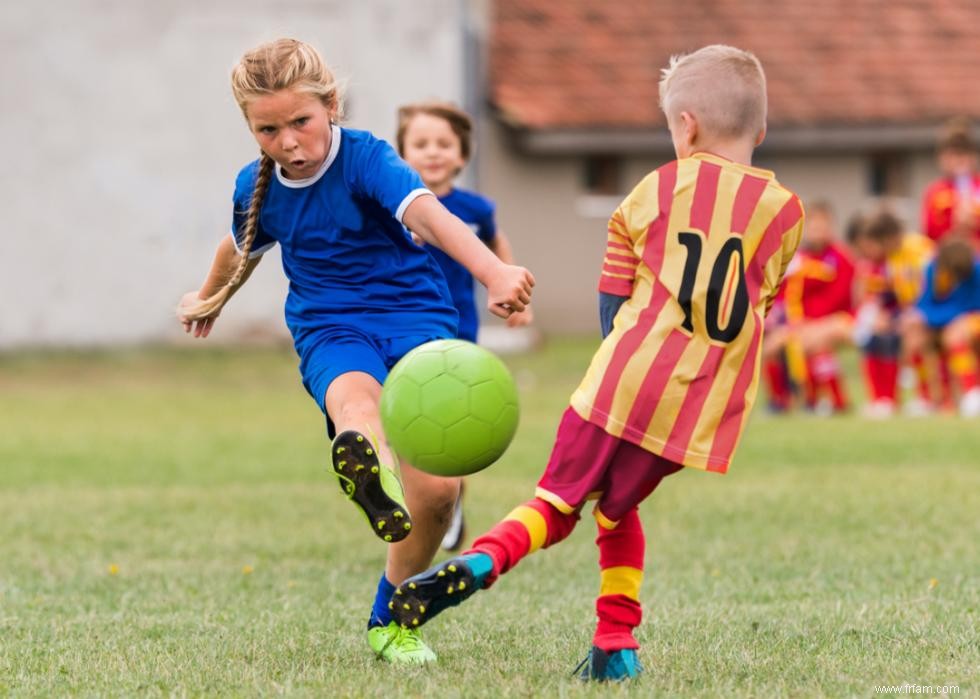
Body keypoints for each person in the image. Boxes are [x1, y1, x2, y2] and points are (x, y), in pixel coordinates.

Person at [387, 45, 804, 681]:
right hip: (698, 404)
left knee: (556, 504)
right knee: (616, 510)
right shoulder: (786, 212)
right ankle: (617, 645)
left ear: (684, 126)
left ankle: (479, 562)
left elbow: (614, 286)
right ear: (762, 130)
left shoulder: (660, 185)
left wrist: (617, 351)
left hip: (624, 380)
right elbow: (762, 302)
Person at [176, 38, 534, 665]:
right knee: (355, 400)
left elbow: (427, 214)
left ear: (331, 106)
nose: (288, 141)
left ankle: (392, 617)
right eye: (268, 129)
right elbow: (238, 247)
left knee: (442, 494)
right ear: (249, 127)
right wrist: (209, 298)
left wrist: (493, 272)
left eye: (300, 122)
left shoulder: (367, 158)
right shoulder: (256, 186)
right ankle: (365, 463)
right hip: (329, 326)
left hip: (416, 319)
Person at [396, 101, 533, 552]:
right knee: (407, 422)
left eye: (443, 144)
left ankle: (450, 502)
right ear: (402, 153)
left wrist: (513, 292)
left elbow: (496, 242)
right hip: (401, 327)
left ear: (461, 155)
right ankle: (414, 499)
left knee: (452, 428)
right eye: (420, 144)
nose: (432, 152)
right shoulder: (394, 205)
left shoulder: (475, 208)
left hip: (458, 334)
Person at [761, 201, 854, 414]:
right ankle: (780, 402)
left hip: (837, 318)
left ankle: (829, 400)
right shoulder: (796, 259)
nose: (817, 232)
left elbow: (839, 298)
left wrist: (807, 321)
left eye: (822, 226)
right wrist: (778, 318)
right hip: (799, 323)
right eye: (813, 227)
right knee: (772, 346)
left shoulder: (841, 258)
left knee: (811, 343)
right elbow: (783, 294)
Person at [851, 208, 935, 416]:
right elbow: (895, 293)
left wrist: (914, 313)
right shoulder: (892, 258)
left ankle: (925, 398)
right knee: (874, 335)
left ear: (888, 238)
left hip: (931, 311)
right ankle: (885, 399)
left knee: (912, 334)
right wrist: (884, 315)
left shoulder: (919, 249)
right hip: (908, 311)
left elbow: (932, 287)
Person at [901, 238, 980, 416]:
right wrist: (917, 316)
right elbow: (925, 302)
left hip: (970, 320)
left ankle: (972, 393)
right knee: (915, 336)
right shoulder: (933, 269)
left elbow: (967, 306)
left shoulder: (975, 271)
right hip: (943, 322)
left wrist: (929, 316)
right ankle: (928, 398)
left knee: (955, 334)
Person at [921, 117, 980, 246]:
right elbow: (929, 233)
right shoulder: (935, 192)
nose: (956, 162)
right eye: (951, 156)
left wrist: (974, 222)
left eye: (962, 155)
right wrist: (955, 225)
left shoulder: (978, 187)